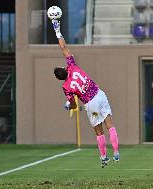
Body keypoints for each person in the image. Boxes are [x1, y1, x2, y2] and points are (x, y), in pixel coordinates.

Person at [51, 19, 120, 167]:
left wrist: (69, 105)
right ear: (63, 69)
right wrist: (57, 31)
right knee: (110, 125)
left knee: (99, 131)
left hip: (90, 103)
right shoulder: (72, 66)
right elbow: (64, 48)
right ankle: (116, 152)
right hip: (100, 94)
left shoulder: (66, 87)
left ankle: (103, 157)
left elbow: (75, 105)